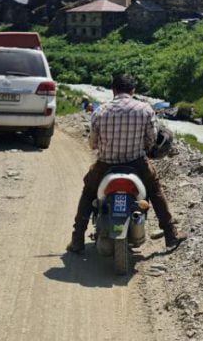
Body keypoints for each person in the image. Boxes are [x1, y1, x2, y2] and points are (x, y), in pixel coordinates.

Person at [67, 73, 183, 253]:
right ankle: (171, 235)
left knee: (88, 191)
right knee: (155, 189)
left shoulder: (100, 111)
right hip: (137, 163)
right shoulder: (145, 109)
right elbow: (151, 140)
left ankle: (77, 239)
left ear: (113, 90)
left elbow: (93, 144)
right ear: (133, 90)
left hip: (105, 165)